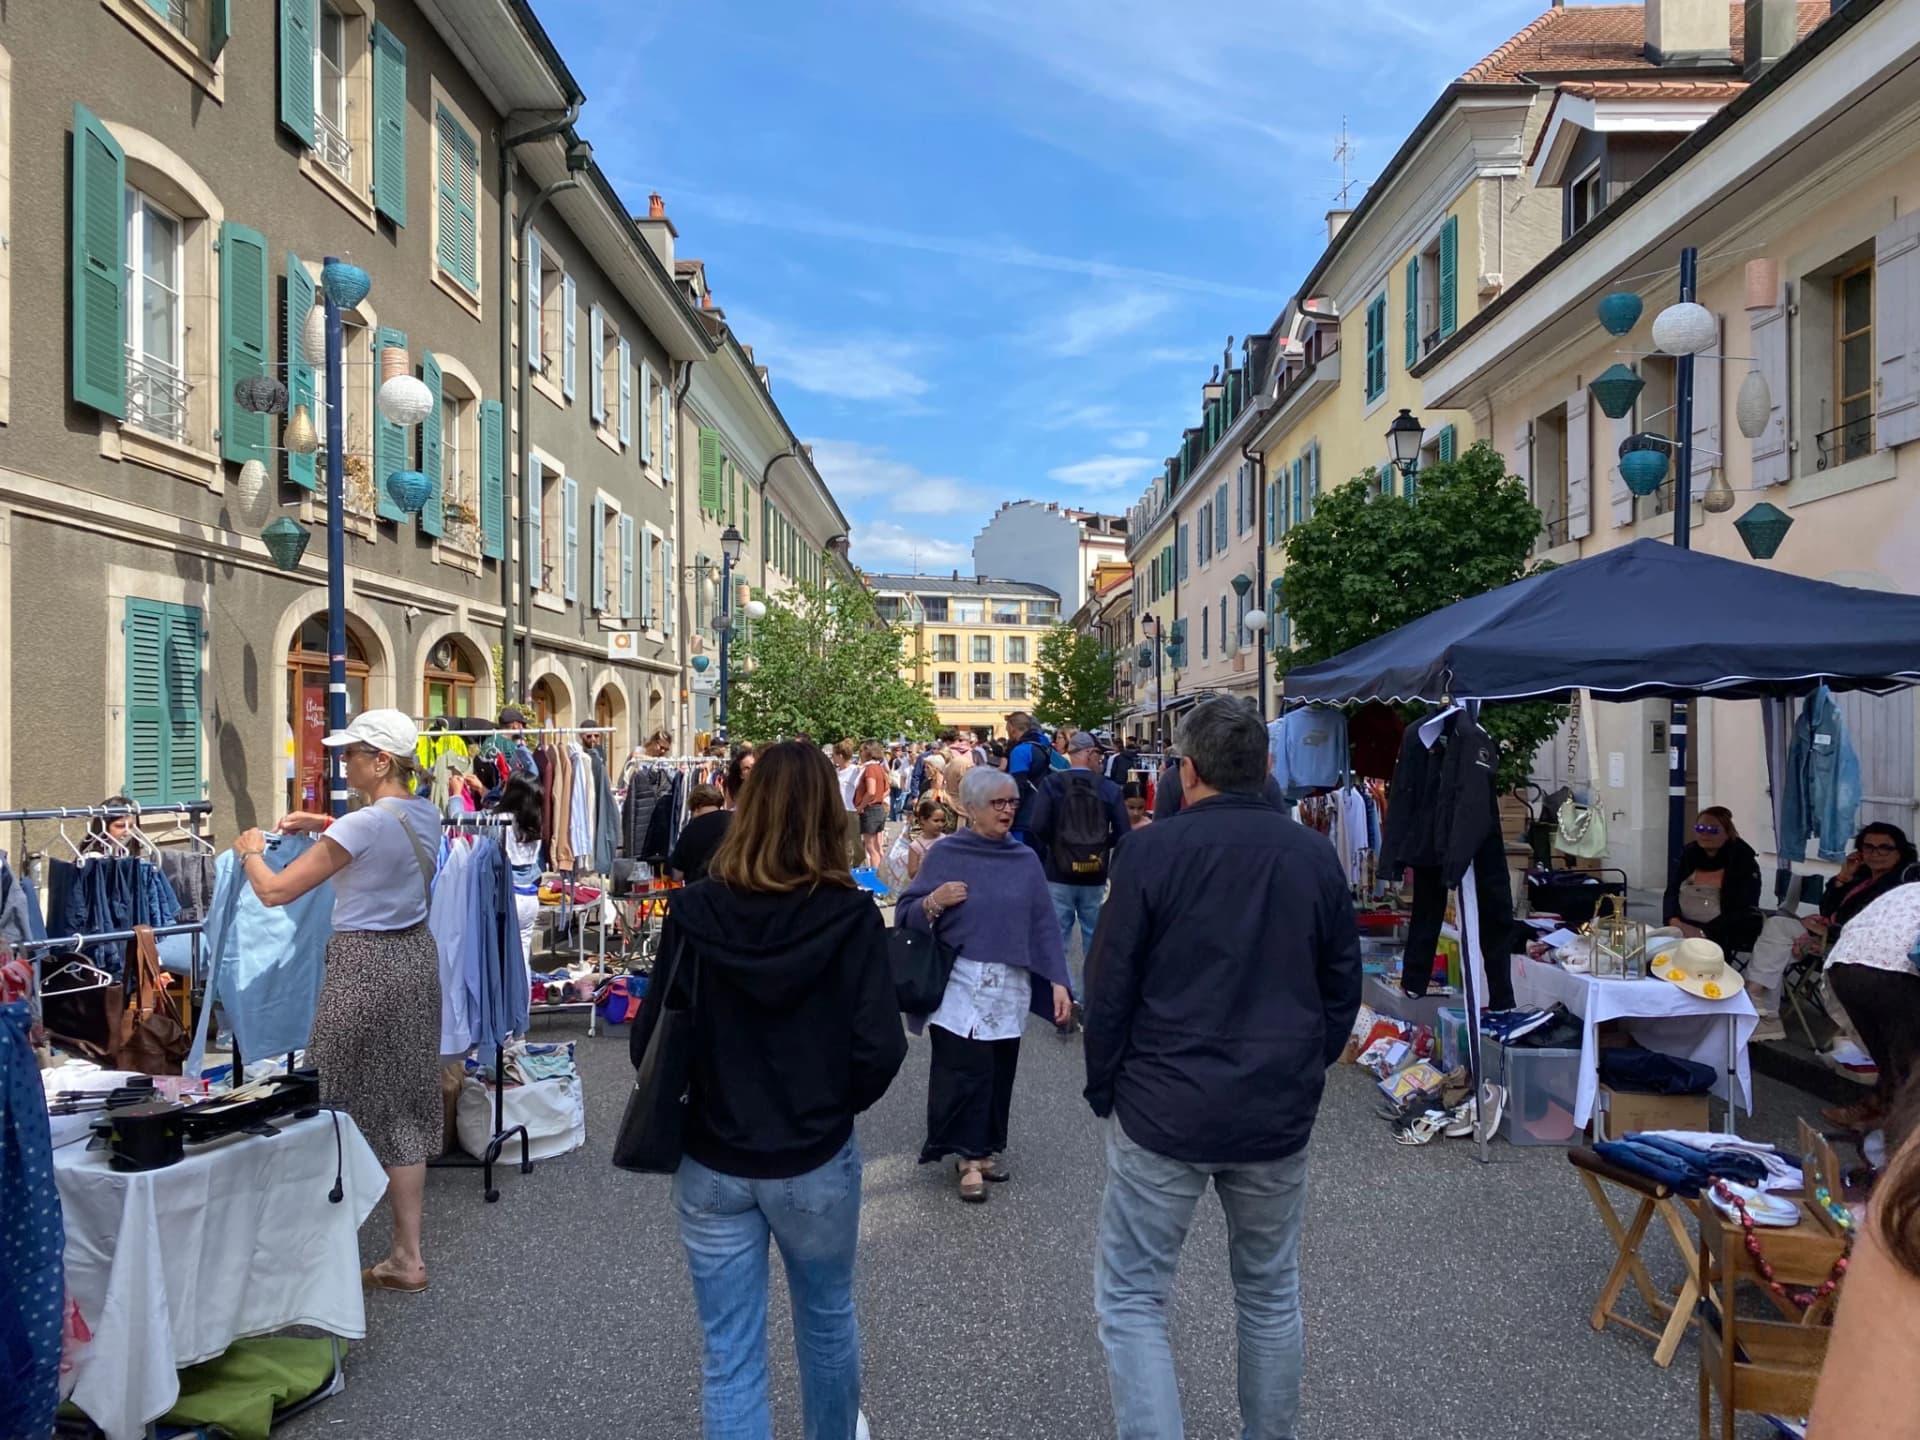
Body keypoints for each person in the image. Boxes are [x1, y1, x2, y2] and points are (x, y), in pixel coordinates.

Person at [1083, 699, 1361, 1440]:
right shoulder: (1311, 856)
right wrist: (1309, 1066)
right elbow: (1342, 986)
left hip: (1165, 1103)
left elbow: (1108, 984)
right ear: (1267, 768)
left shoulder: (1151, 853)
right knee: (1269, 1294)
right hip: (1272, 1105)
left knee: (1134, 1299)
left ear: (1189, 772)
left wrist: (1104, 1082)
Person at [630, 741, 906, 1438]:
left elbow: (649, 1042)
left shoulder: (695, 911)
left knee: (730, 1351)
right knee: (826, 1319)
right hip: (812, 1152)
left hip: (714, 1152)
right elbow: (879, 1049)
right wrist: (829, 1104)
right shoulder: (850, 916)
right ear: (828, 814)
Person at [233, 709, 445, 1293]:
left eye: (352, 752)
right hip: (413, 959)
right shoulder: (425, 814)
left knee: (326, 1092)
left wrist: (251, 849)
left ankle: (304, 1249)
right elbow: (384, 833)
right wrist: (325, 821)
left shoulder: (360, 826)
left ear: (381, 761)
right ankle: (408, 1255)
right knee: (402, 1102)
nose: (342, 760)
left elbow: (275, 891)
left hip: (362, 964)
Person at [897, 767, 1073, 1203]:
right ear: (970, 809)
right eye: (998, 803)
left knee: (998, 1071)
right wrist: (936, 901)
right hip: (958, 983)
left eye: (1012, 802)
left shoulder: (1025, 858)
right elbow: (906, 912)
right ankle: (967, 1158)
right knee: (963, 1070)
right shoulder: (945, 853)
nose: (1008, 810)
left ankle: (985, 1147)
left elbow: (1044, 925)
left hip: (1007, 986)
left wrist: (1058, 981)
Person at [1749, 823, 1920, 1044]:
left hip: (1863, 949)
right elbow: (1828, 909)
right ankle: (1759, 1002)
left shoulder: (1906, 878)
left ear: (1900, 850)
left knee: (1776, 943)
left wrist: (1832, 929)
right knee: (1777, 927)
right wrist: (1843, 877)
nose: (1876, 853)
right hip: (1830, 935)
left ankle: (1764, 1011)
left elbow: (1887, 922)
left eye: (1884, 848)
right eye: (1868, 847)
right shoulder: (1862, 875)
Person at [1028, 731, 1131, 1022]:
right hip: (1095, 873)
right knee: (1094, 939)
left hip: (1058, 872)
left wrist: (1057, 847)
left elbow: (1038, 825)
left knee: (1057, 940)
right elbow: (1123, 832)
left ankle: (1061, 999)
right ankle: (1087, 1000)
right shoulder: (1108, 788)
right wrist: (1101, 846)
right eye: (1098, 755)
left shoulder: (1051, 784)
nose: (1100, 760)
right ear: (1087, 754)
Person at [1822, 877, 1920, 1131]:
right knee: (1910, 1068)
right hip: (1893, 971)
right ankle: (1899, 1137)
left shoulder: (1908, 890)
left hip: (1845, 966)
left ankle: (1876, 1113)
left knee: (1890, 1060)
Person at [1661, 806, 1765, 955]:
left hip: (1724, 931)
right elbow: (1671, 891)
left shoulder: (1742, 860)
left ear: (1727, 833)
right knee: (1655, 949)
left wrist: (1705, 932)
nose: (1705, 833)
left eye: (1712, 829)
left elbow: (1742, 907)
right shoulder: (1689, 855)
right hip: (1682, 925)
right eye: (1701, 828)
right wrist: (1673, 920)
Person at [495, 775, 544, 967]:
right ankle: (525, 996)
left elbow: (466, 819)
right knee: (523, 957)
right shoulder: (534, 822)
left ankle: (510, 997)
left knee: (503, 958)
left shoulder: (501, 821)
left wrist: (456, 796)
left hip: (509, 896)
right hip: (530, 897)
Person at [1004, 711, 1057, 846]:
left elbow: (1017, 787)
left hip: (1024, 820)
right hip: (1045, 813)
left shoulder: (1020, 751)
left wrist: (1009, 814)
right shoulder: (1044, 745)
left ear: (1012, 728)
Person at [669, 784, 731, 884]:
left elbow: (677, 875)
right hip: (737, 890)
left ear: (696, 806)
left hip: (701, 894)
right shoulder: (736, 821)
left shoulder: (690, 830)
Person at [852, 741, 892, 875]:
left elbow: (871, 791)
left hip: (870, 810)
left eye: (861, 751)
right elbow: (886, 789)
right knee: (877, 847)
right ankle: (881, 877)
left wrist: (861, 806)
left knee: (871, 848)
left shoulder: (870, 769)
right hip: (878, 808)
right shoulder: (879, 768)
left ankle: (875, 881)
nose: (860, 754)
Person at [833, 740, 863, 865]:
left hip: (850, 810)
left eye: (834, 755)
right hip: (838, 809)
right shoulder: (836, 771)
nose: (832, 758)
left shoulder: (854, 771)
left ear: (840, 756)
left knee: (853, 841)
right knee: (842, 841)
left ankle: (857, 864)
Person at [907, 798, 949, 880]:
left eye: (942, 821)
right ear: (923, 820)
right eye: (936, 821)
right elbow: (912, 874)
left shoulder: (946, 840)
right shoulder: (916, 846)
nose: (940, 824)